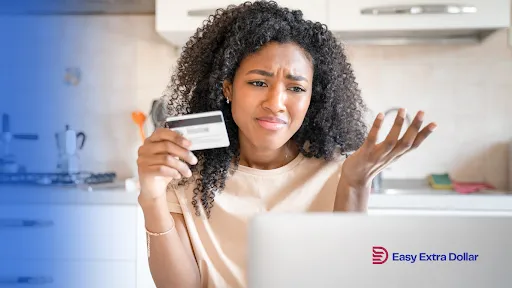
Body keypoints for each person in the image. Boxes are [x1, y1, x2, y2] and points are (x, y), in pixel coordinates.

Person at [136, 1, 437, 287]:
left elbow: (347, 280)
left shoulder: (340, 173)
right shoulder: (184, 171)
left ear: (311, 100)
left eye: (295, 88)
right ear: (228, 87)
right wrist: (151, 196)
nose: (276, 103)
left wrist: (354, 185)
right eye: (258, 82)